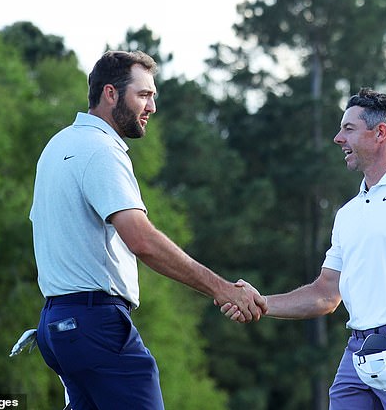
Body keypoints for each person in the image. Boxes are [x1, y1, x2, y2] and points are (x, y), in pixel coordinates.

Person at [29, 50, 267, 410]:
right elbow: (141, 240)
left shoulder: (57, 145)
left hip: (57, 325)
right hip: (96, 324)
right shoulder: (101, 151)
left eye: (152, 95)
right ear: (110, 93)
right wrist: (221, 289)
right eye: (143, 95)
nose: (152, 106)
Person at [221, 88, 386, 409]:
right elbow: (325, 294)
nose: (337, 138)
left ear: (380, 133)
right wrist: (260, 303)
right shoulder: (348, 214)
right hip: (356, 355)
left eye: (348, 129)